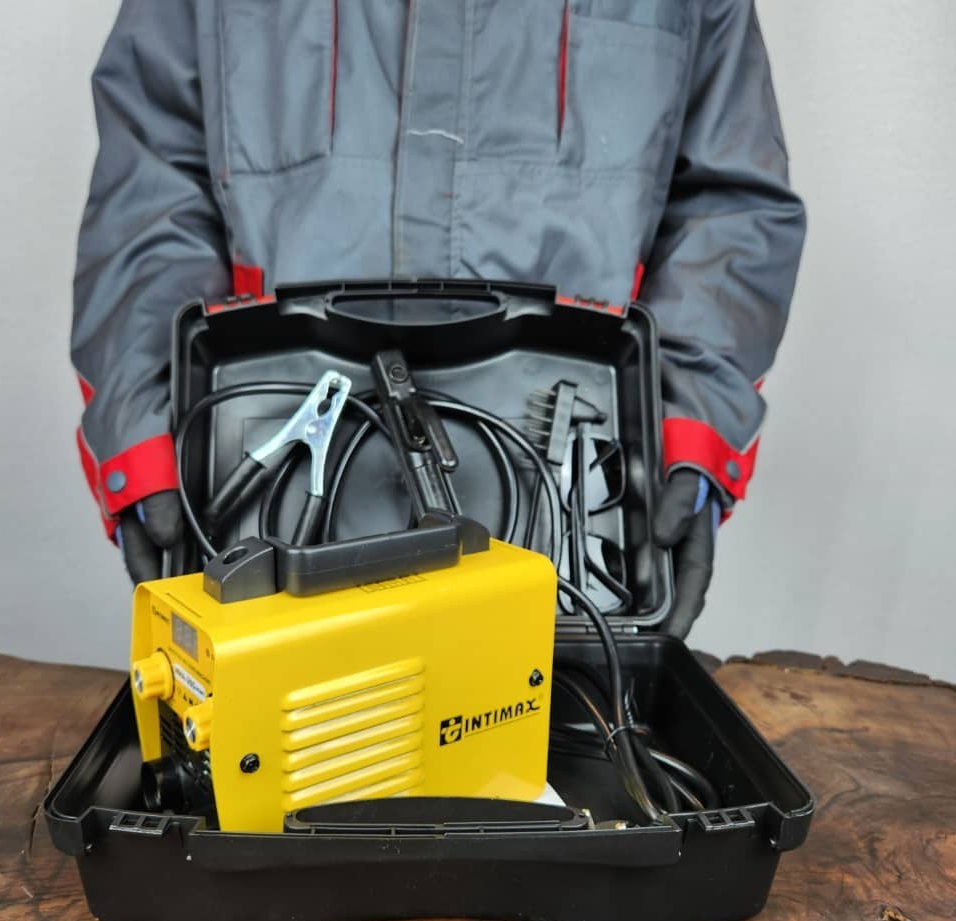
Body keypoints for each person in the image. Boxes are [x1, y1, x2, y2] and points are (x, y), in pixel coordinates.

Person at [71, 1, 805, 638]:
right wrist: (142, 426)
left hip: (570, 543)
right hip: (269, 530)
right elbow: (151, 189)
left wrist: (691, 430)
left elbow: (728, 210)